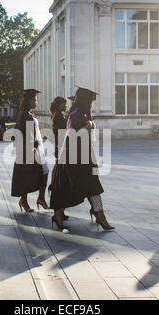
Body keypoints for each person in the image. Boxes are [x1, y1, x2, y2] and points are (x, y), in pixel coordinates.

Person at [50, 87, 114, 232]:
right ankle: (58, 215)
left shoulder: (80, 113)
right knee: (67, 189)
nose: (91, 104)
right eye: (90, 101)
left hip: (82, 157)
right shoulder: (75, 115)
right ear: (85, 101)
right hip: (72, 158)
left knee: (93, 186)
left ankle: (100, 216)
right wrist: (89, 124)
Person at [11, 89, 49, 212]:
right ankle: (26, 200)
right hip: (28, 150)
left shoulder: (27, 113)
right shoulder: (24, 114)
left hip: (35, 148)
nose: (36, 102)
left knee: (40, 172)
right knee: (27, 175)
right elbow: (20, 132)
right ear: (29, 100)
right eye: (35, 99)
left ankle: (39, 198)